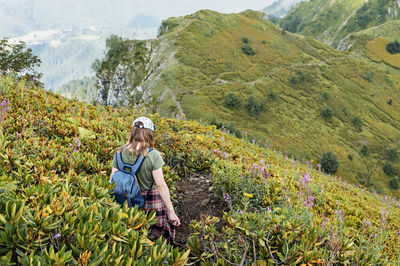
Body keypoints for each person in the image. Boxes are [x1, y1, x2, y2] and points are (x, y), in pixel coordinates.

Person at [110, 116, 180, 243]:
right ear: (149, 134)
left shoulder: (118, 152)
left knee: (132, 236)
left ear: (133, 132)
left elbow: (112, 181)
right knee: (154, 237)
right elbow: (161, 185)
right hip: (150, 201)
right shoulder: (153, 155)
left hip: (128, 201)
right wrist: (171, 211)